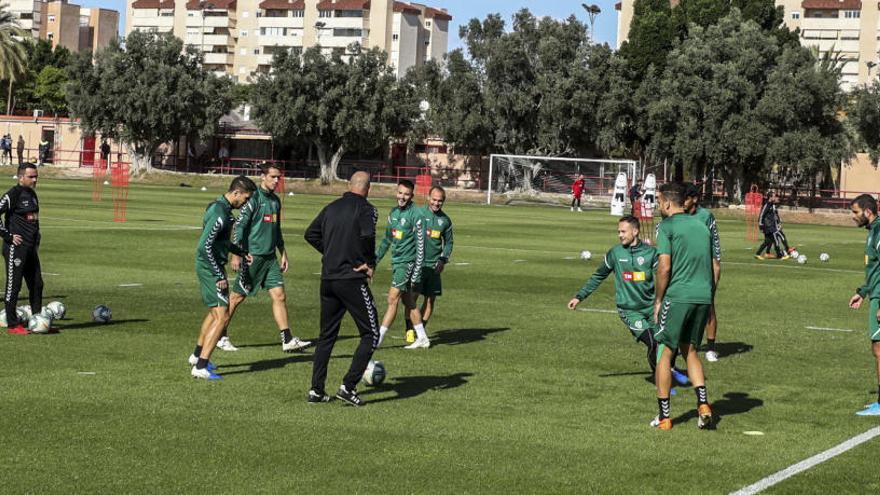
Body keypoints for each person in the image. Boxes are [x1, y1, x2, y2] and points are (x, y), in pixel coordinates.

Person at [567, 216, 689, 386]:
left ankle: (669, 370)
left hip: (651, 308)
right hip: (629, 310)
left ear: (635, 231)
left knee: (668, 341)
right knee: (653, 342)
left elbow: (665, 276)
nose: (620, 235)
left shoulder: (650, 254)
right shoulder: (615, 254)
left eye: (623, 231)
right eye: (618, 232)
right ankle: (661, 381)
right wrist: (579, 296)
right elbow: (598, 276)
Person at [304, 171, 381, 406]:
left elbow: (311, 234)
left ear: (349, 185)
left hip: (328, 279)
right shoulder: (367, 209)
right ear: (368, 189)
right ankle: (348, 386)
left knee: (326, 336)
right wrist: (368, 263)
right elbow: (368, 236)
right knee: (371, 333)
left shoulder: (331, 207)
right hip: (350, 279)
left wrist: (331, 253)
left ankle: (316, 390)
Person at [219, 164, 310, 353]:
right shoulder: (253, 199)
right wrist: (236, 254)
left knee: (279, 295)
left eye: (279, 177)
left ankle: (287, 339)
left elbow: (276, 230)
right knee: (236, 298)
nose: (277, 181)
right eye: (273, 177)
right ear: (263, 177)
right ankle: (221, 335)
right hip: (253, 258)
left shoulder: (276, 201)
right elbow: (239, 227)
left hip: (270, 259)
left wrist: (283, 252)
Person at [651, 182, 714, 430]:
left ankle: (665, 417)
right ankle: (704, 405)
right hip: (703, 296)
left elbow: (664, 267)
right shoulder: (701, 225)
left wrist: (658, 300)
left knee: (665, 353)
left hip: (678, 296)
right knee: (691, 351)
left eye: (658, 201)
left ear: (667, 202)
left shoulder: (666, 226)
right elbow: (710, 264)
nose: (658, 205)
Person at [188, 176, 257, 380]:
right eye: (245, 198)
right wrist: (218, 274)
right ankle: (201, 366)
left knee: (214, 313)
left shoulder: (223, 209)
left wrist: (240, 251)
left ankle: (196, 356)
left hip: (212, 266)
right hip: (211, 268)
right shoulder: (219, 212)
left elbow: (220, 242)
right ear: (236, 193)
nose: (245, 203)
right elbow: (205, 246)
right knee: (223, 316)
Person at [375, 179, 429, 349]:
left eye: (406, 194)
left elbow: (421, 247)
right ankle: (422, 338)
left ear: (411, 196)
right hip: (397, 262)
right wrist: (374, 261)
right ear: (396, 192)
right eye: (400, 193)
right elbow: (386, 240)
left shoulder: (417, 215)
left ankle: (378, 339)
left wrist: (417, 272)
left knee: (392, 299)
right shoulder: (393, 213)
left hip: (408, 263)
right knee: (408, 301)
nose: (402, 197)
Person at [0, 163, 43, 335]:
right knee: (14, 285)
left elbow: (33, 218)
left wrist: (37, 236)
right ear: (21, 177)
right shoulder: (13, 194)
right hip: (15, 248)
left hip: (31, 248)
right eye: (31, 176)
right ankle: (12, 324)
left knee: (37, 284)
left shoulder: (32, 194)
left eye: (36, 176)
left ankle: (38, 320)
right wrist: (8, 236)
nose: (35, 179)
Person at [848, 194, 880, 416]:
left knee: (879, 349)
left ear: (868, 212)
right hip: (875, 293)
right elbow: (875, 270)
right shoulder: (873, 232)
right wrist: (863, 292)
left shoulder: (878, 231)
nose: (853, 217)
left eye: (855, 212)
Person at [685, 184, 722, 362]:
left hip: (703, 269)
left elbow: (714, 246)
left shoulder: (706, 216)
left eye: (685, 198)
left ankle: (711, 347)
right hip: (682, 268)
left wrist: (716, 271)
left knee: (709, 308)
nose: (681, 202)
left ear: (694, 199)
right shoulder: (677, 215)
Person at [410, 186, 454, 337]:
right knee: (412, 299)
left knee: (430, 300)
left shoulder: (445, 220)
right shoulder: (417, 213)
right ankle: (410, 329)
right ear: (428, 197)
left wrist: (443, 259)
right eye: (434, 199)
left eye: (440, 201)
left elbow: (448, 243)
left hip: (434, 266)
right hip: (417, 265)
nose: (436, 203)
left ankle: (420, 332)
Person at [755, 192, 791, 261]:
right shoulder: (767, 205)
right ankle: (780, 256)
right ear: (770, 197)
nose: (775, 198)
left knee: (767, 241)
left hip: (771, 227)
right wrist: (761, 226)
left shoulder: (771, 205)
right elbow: (761, 215)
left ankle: (757, 254)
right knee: (776, 240)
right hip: (768, 227)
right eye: (774, 196)